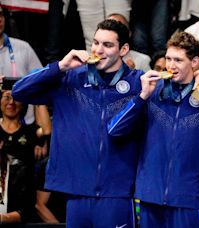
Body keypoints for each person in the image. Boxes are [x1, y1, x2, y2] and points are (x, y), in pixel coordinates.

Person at [11, 19, 144, 227]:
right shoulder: (70, 79)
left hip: (117, 194)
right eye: (96, 43)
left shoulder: (139, 83)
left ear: (124, 49)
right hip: (76, 193)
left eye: (107, 45)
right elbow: (19, 91)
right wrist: (60, 66)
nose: (99, 50)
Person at [108, 31, 199, 227]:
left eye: (178, 60)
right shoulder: (151, 91)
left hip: (191, 200)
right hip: (150, 197)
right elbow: (115, 130)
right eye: (168, 58)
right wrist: (142, 96)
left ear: (194, 62)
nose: (171, 65)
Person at [0, 5, 51, 159]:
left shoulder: (23, 48)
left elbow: (42, 85)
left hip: (26, 128)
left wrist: (41, 140)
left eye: (0, 15)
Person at [0, 79, 44, 224]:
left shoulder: (30, 131)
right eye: (6, 97)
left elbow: (47, 130)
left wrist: (38, 94)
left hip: (21, 203)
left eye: (16, 98)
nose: (11, 102)